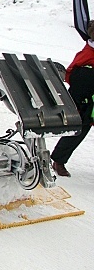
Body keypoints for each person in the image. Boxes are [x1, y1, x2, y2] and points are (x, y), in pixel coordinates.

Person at [50, 20, 94, 177]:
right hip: (85, 101)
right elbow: (70, 75)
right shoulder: (87, 53)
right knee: (78, 131)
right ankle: (58, 161)